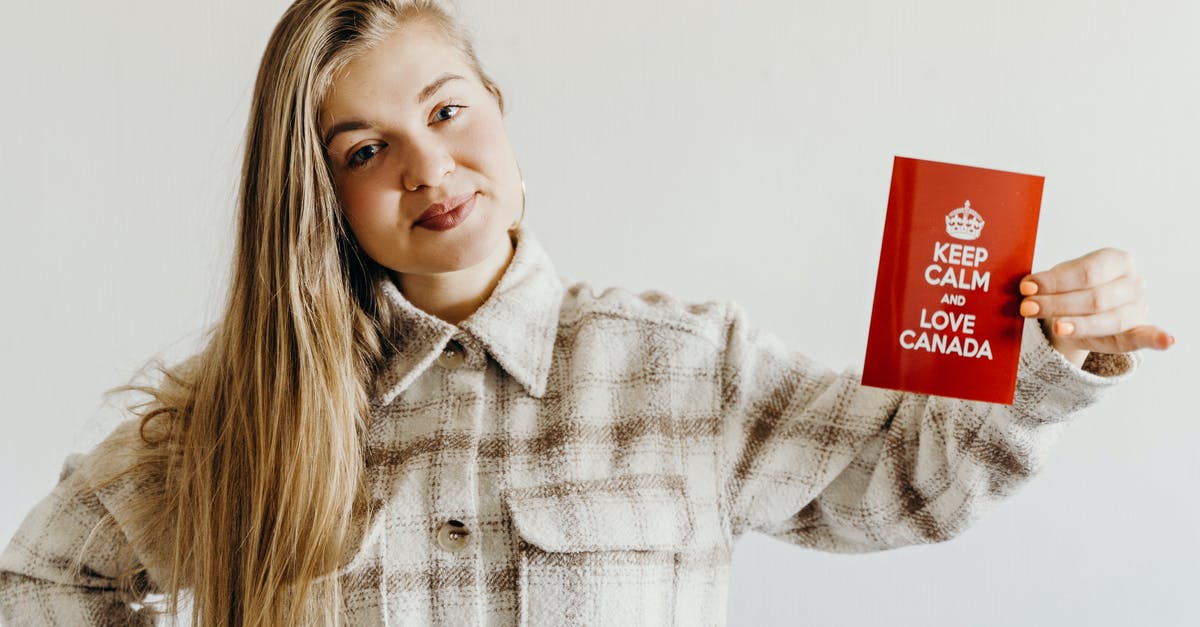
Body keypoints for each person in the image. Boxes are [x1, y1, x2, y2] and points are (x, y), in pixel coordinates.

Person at [0, 0, 1175, 625]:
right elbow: (41, 586)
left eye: (449, 111)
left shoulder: (683, 366)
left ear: (498, 112)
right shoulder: (238, 422)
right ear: (321, 192)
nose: (430, 167)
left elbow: (903, 482)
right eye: (368, 148)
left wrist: (1045, 361)